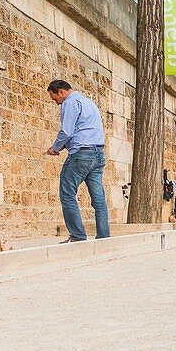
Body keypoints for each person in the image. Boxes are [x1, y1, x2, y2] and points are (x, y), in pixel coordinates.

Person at [44, 79, 110, 243]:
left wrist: (55, 148)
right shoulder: (89, 103)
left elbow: (66, 131)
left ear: (61, 92)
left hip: (81, 155)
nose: (57, 103)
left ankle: (78, 236)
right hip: (98, 154)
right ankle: (103, 237)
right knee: (99, 198)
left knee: (67, 194)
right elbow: (84, 130)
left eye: (55, 99)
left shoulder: (70, 102)